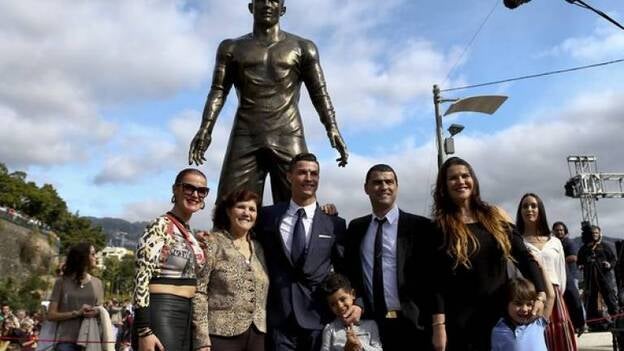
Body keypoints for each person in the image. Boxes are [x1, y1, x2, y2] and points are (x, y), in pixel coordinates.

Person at [188, 0, 348, 205]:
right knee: (230, 207)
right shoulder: (231, 48)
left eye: (274, 0)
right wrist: (205, 128)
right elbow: (218, 90)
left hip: (288, 132)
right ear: (251, 7)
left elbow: (319, 93)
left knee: (301, 206)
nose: (267, 4)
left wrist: (331, 127)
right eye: (261, 0)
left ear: (283, 8)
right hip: (246, 134)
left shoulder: (303, 47)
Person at [430, 157, 546, 351]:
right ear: (444, 186)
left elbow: (523, 257)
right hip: (460, 322)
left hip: (500, 320)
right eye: (453, 178)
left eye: (465, 176)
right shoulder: (440, 227)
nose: (460, 181)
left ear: (473, 180)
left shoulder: (494, 217)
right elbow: (436, 281)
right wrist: (438, 326)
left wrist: (541, 294)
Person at [256, 152, 356, 351]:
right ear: (289, 176)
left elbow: (346, 268)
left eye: (314, 173)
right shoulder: (267, 216)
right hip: (278, 318)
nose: (309, 178)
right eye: (302, 172)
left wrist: (354, 302)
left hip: (318, 318)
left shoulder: (334, 223)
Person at [343, 164, 434, 350]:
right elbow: (350, 272)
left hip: (412, 324)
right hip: (371, 325)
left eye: (389, 182)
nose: (384, 187)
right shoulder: (356, 228)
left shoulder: (420, 227)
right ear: (366, 188)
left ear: (396, 187)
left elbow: (432, 278)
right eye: (377, 182)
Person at [132, 168, 208, 351]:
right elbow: (141, 277)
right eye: (189, 188)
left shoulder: (189, 233)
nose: (195, 194)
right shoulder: (160, 225)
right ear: (176, 189)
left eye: (202, 191)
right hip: (162, 310)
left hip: (187, 312)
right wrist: (144, 330)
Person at [193, 189, 269, 351]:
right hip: (220, 335)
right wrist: (201, 338)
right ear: (228, 211)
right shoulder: (212, 243)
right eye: (241, 207)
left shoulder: (260, 248)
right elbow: (199, 291)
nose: (246, 213)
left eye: (252, 209)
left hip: (257, 335)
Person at [516, 193, 577, 350]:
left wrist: (556, 295)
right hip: (528, 297)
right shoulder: (517, 242)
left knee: (559, 338)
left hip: (556, 298)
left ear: (540, 210)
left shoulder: (555, 241)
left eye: (533, 206)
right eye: (525, 206)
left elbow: (562, 275)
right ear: (520, 211)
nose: (529, 209)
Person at [47, 242, 104, 351]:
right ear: (82, 258)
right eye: (92, 254)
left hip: (90, 340)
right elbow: (51, 315)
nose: (95, 257)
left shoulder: (97, 283)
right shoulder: (61, 282)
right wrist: (77, 313)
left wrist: (96, 312)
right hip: (66, 341)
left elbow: (100, 310)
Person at [320, 273, 382, 351]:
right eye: (333, 304)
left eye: (342, 299)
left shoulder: (371, 325)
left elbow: (379, 349)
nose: (340, 306)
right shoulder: (330, 329)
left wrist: (361, 346)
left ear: (353, 294)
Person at [491, 277, 555, 351]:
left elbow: (551, 296)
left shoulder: (537, 322)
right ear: (506, 304)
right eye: (518, 304)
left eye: (529, 304)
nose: (524, 309)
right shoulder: (499, 331)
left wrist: (541, 268)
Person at [577, 224, 620, 325]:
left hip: (604, 278)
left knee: (610, 298)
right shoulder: (584, 248)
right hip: (590, 279)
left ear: (600, 234)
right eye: (592, 233)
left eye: (596, 233)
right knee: (591, 300)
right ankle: (594, 323)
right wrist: (581, 265)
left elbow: (613, 259)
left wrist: (609, 265)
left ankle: (616, 320)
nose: (594, 235)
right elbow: (579, 261)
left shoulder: (605, 246)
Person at [553, 221, 586, 333]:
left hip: (571, 276)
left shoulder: (568, 242)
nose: (559, 232)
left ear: (565, 231)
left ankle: (582, 323)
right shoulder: (553, 243)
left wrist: (558, 259)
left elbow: (574, 257)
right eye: (557, 230)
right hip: (559, 276)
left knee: (575, 299)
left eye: (561, 230)